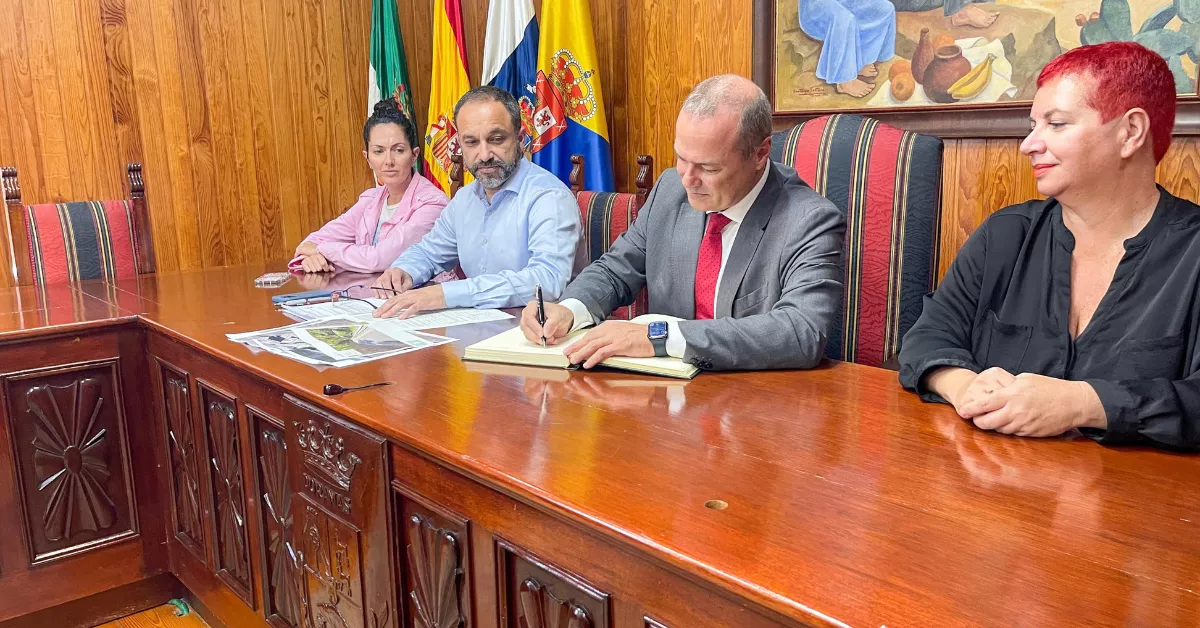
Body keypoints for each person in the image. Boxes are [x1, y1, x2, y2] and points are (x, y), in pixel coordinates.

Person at [898, 41, 1199, 451]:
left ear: (1130, 132)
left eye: (1056, 124)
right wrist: (966, 385)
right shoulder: (1005, 234)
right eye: (1033, 125)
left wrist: (1083, 404)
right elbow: (926, 338)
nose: (1029, 144)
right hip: (993, 491)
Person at [520, 74, 845, 372]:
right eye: (681, 158)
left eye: (708, 168)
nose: (688, 180)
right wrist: (570, 309)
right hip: (665, 398)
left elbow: (801, 331)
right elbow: (615, 270)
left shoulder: (809, 221)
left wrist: (659, 337)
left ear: (760, 154)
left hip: (754, 404)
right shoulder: (670, 189)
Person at [371, 86, 580, 318]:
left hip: (541, 335)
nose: (484, 155)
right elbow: (429, 252)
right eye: (471, 142)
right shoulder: (465, 199)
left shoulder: (549, 197)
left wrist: (446, 294)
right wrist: (403, 270)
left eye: (496, 139)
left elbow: (547, 281)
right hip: (478, 327)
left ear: (521, 139)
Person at [290, 99, 448, 274]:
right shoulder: (370, 200)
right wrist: (312, 258)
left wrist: (321, 250)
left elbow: (378, 260)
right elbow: (309, 243)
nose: (389, 161)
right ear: (368, 159)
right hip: (370, 296)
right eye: (379, 151)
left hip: (421, 298)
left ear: (414, 155)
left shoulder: (433, 203)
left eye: (398, 150)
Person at [798, 0, 896, 98]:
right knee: (844, 18)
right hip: (815, 7)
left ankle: (860, 62)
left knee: (885, 8)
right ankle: (844, 81)